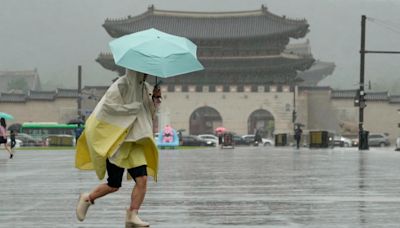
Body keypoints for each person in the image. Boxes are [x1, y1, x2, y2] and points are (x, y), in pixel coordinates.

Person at [75, 70, 161, 227]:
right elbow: (108, 107)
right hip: (117, 141)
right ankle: (88, 198)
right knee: (114, 184)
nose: (145, 74)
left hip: (135, 141)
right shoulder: (121, 85)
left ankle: (132, 214)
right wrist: (132, 108)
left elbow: (148, 114)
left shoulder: (145, 88)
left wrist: (155, 99)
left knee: (142, 179)